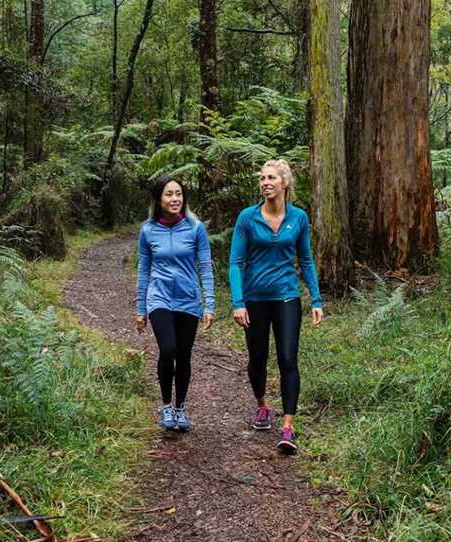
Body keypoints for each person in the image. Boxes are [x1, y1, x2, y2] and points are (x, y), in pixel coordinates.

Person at [229, 159, 323, 454]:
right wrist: (237, 302)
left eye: (271, 178)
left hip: (286, 297)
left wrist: (316, 299)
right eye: (262, 178)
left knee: (287, 359)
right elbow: (235, 262)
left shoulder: (299, 218)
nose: (265, 182)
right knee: (257, 359)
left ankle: (288, 427)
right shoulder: (247, 217)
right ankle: (262, 407)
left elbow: (305, 260)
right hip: (255, 299)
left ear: (285, 183)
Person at [135, 175, 215, 432]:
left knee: (183, 354)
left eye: (178, 194)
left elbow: (205, 268)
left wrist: (209, 305)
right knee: (167, 349)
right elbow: (143, 271)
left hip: (188, 300)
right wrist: (140, 309)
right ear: (159, 199)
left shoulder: (195, 228)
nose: (175, 199)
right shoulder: (148, 230)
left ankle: (181, 407)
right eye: (169, 194)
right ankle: (167, 405)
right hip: (158, 297)